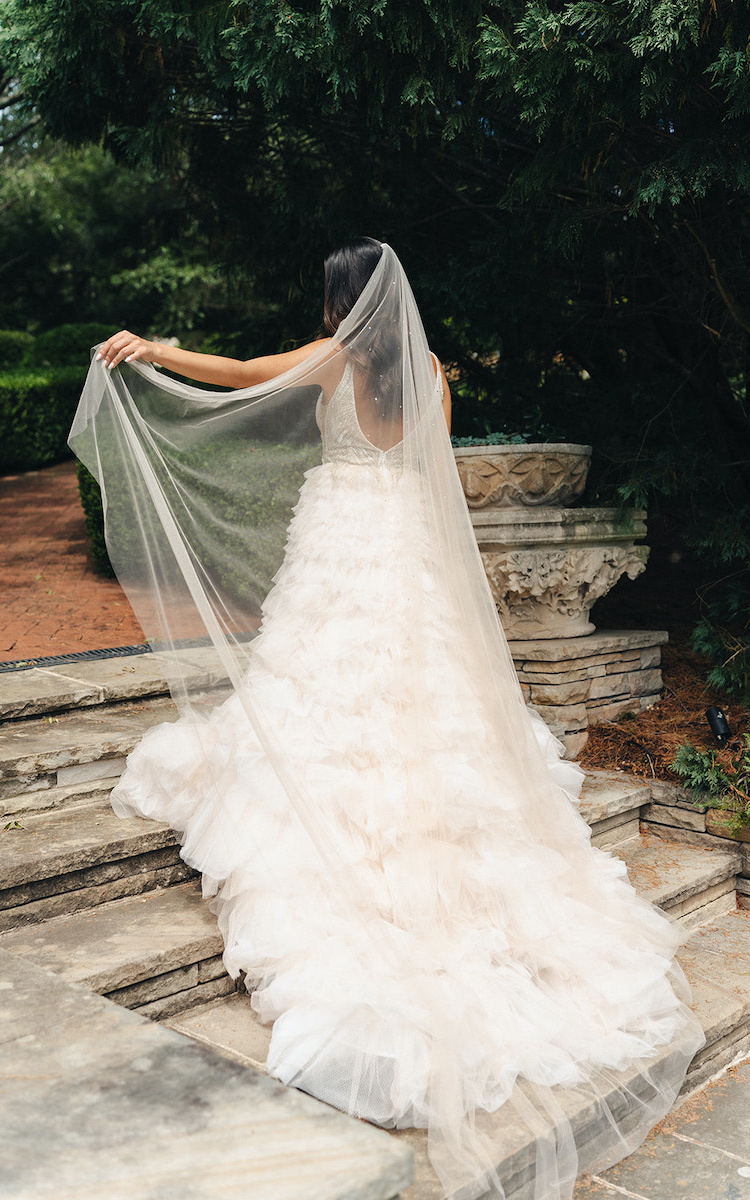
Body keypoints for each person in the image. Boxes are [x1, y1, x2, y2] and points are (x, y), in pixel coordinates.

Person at [70, 239, 704, 1200]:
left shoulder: (329, 362)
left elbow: (241, 377)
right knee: (416, 699)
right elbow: (435, 485)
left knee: (320, 687)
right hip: (404, 554)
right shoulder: (436, 379)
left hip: (338, 541)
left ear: (342, 305)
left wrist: (151, 348)